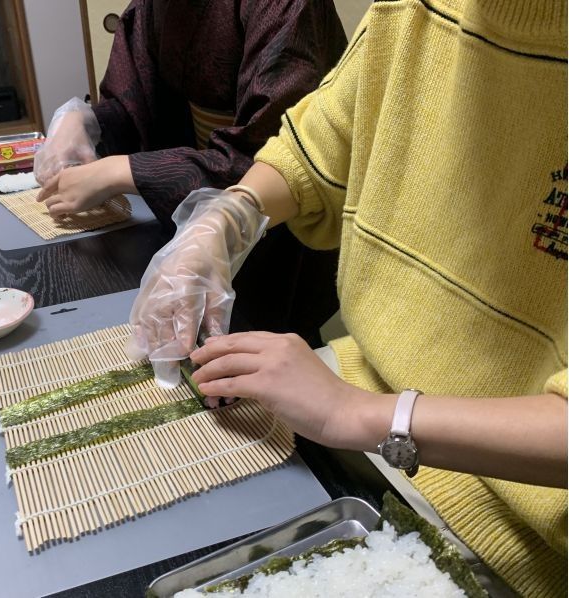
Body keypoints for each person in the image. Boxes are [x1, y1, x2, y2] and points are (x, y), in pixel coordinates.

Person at [126, 0, 568, 596]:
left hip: (516, 525)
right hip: (358, 407)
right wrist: (227, 217)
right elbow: (315, 142)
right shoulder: (412, 12)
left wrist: (361, 415)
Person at [33, 0, 348, 345]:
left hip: (277, 224)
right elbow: (136, 104)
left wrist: (122, 170)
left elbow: (272, 155)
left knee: (276, 352)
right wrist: (86, 121)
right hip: (195, 210)